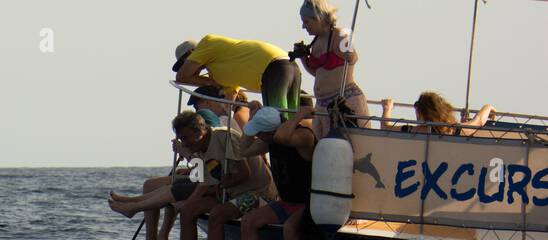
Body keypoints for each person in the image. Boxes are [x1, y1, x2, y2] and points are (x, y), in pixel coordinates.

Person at [136, 111, 276, 240]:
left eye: (186, 138)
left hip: (257, 194)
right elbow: (206, 183)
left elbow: (244, 173)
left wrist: (221, 184)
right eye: (181, 139)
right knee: (187, 211)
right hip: (230, 193)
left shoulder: (223, 137)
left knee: (218, 214)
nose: (185, 143)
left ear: (200, 131)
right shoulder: (200, 149)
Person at [233, 105, 318, 240]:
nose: (257, 136)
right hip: (286, 202)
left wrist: (299, 116)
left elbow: (283, 137)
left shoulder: (302, 137)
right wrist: (252, 122)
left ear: (271, 131)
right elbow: (242, 151)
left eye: (259, 132)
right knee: (249, 221)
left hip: (307, 203)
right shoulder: (271, 141)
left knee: (290, 229)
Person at [174, 35, 303, 117]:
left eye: (184, 63)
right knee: (291, 119)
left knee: (277, 120)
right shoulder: (219, 71)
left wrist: (208, 82)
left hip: (274, 68)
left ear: (192, 53)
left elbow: (181, 77)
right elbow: (229, 100)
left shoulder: (206, 43)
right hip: (287, 67)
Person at [294, 1, 368, 138]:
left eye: (307, 22)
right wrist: (303, 57)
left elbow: (353, 57)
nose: (304, 26)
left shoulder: (340, 35)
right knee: (319, 148)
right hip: (321, 104)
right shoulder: (316, 42)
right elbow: (317, 73)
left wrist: (350, 55)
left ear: (319, 18)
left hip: (342, 101)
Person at [381, 92, 496, 136]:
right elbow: (479, 120)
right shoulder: (455, 130)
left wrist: (387, 108)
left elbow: (386, 127)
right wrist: (488, 107)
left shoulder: (418, 131)